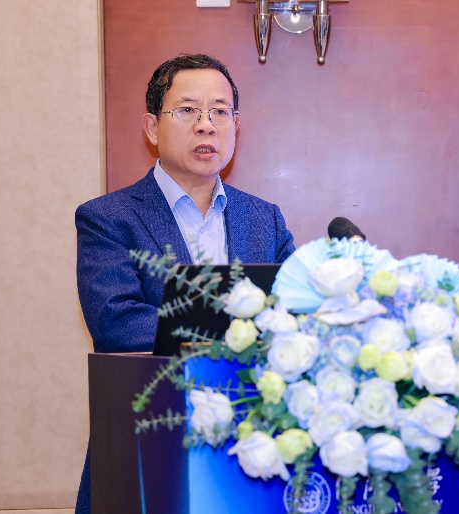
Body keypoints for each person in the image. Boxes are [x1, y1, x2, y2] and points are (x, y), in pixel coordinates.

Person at [74, 54, 295, 513]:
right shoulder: (108, 218)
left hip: (254, 446)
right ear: (152, 128)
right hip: (151, 442)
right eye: (188, 110)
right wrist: (241, 329)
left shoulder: (265, 218)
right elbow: (118, 323)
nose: (206, 125)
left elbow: (296, 313)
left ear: (236, 125)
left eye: (219, 111)